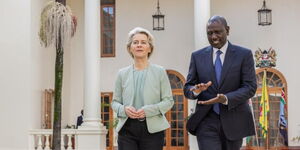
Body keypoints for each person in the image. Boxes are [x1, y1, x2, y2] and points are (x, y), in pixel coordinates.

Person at [184, 15, 257, 150]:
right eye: (210, 33)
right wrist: (195, 90)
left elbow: (250, 87)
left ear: (227, 30)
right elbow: (188, 87)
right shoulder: (197, 56)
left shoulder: (244, 54)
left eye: (218, 32)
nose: (213, 36)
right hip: (206, 120)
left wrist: (226, 98)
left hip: (234, 120)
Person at [111, 27, 174, 150]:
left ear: (149, 48)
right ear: (130, 48)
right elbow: (114, 102)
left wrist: (148, 110)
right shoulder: (121, 74)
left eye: (143, 42)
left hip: (153, 130)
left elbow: (169, 101)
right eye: (135, 42)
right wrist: (124, 109)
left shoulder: (160, 71)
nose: (139, 45)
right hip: (127, 129)